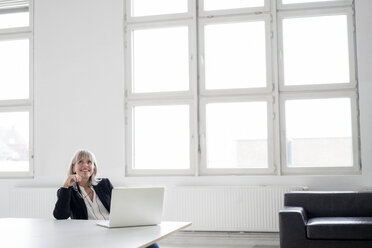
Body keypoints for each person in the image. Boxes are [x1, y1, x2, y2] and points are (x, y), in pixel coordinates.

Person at [53, 149, 159, 248]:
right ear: (73, 168)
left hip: (113, 229)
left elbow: (120, 207)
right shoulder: (68, 191)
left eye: (89, 162)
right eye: (80, 161)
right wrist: (66, 186)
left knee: (152, 245)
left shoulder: (104, 183)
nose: (85, 165)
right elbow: (60, 216)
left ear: (94, 167)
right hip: (89, 236)